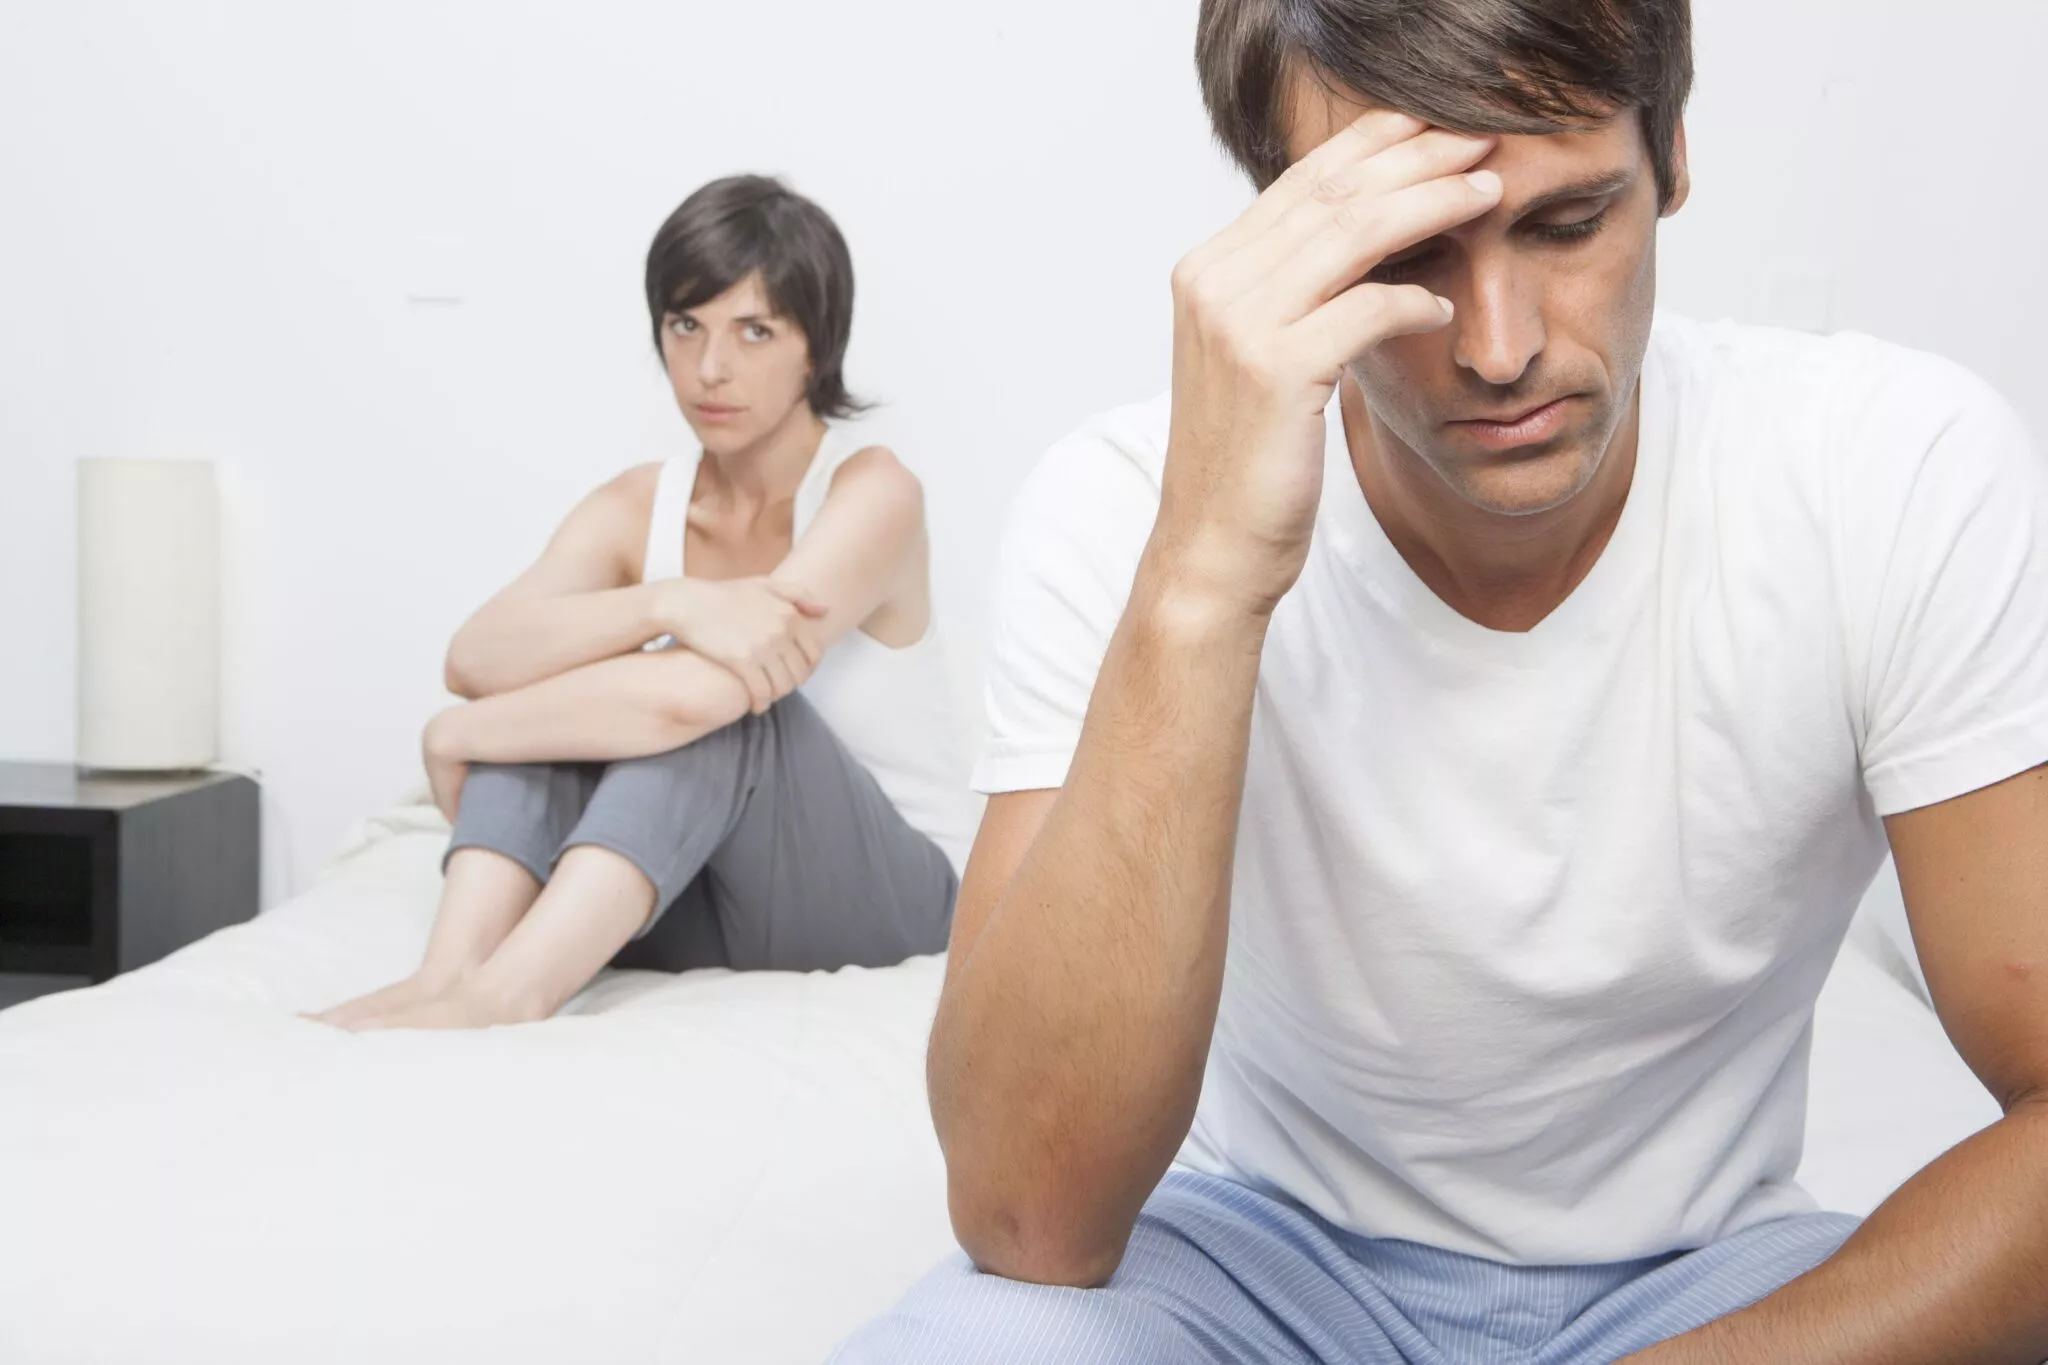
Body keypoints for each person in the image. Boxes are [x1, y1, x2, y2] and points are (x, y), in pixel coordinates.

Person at [835, 1, 2048, 1361]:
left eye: (1570, 222)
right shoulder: (1124, 506)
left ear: (1674, 160)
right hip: (1255, 1261)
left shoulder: (1886, 470)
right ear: (1284, 232)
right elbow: (1027, 1219)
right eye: (1407, 252)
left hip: (1719, 1283)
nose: (1498, 344)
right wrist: (1201, 584)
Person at [315, 175, 973, 1032]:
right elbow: (475, 655)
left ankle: (508, 995)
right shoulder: (639, 506)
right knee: (569, 690)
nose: (709, 368)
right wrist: (668, 602)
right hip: (696, 887)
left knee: (728, 707)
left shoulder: (871, 493)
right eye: (685, 325)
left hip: (883, 898)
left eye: (754, 331)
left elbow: (696, 700)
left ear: (815, 349)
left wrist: (458, 734)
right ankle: (449, 975)